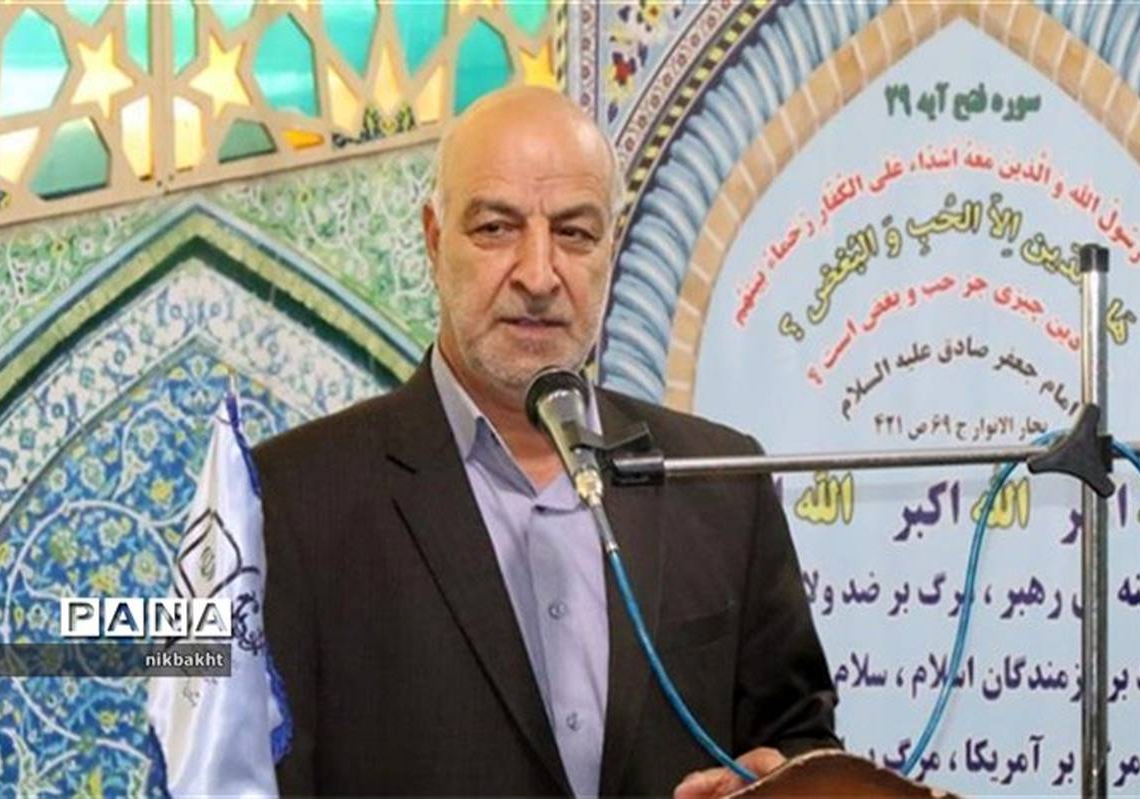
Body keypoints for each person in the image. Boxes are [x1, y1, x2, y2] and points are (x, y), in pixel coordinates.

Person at [255, 86, 838, 798]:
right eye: (496, 228)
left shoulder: (719, 480)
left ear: (610, 249)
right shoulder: (281, 499)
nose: (538, 275)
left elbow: (801, 740)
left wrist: (779, 787)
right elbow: (224, 750)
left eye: (574, 233)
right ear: (434, 241)